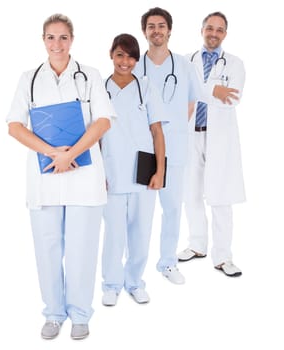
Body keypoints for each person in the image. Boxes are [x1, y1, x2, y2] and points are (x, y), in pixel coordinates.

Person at [6, 14, 115, 340]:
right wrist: (55, 154)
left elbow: (103, 121)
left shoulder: (90, 75)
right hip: (46, 178)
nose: (57, 44)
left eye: (63, 37)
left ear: (72, 40)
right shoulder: (29, 78)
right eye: (51, 38)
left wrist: (70, 154)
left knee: (82, 248)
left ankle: (80, 314)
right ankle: (54, 314)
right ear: (43, 40)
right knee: (48, 248)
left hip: (83, 175)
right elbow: (14, 126)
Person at [133, 7, 199, 284]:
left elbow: (191, 101)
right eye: (151, 26)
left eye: (161, 26)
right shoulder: (135, 66)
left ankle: (168, 263)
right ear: (144, 31)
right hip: (143, 147)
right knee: (140, 212)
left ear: (169, 30)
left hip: (174, 146)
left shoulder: (184, 64)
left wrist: (172, 130)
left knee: (172, 207)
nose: (156, 30)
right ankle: (134, 269)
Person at [177, 12, 246, 277]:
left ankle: (223, 256)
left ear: (225, 34)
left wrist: (204, 90)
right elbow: (182, 94)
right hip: (191, 133)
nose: (213, 33)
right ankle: (197, 245)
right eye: (209, 28)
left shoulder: (235, 64)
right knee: (190, 192)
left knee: (220, 196)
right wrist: (213, 90)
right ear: (202, 30)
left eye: (219, 29)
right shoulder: (186, 61)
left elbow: (233, 99)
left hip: (220, 138)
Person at [101, 33, 167, 306]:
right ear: (111, 55)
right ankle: (111, 285)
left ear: (137, 60)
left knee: (141, 232)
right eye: (119, 55)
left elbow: (157, 131)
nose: (124, 61)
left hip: (143, 173)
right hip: (111, 172)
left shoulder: (147, 86)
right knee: (114, 234)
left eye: (130, 56)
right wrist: (97, 174)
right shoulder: (99, 88)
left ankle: (135, 282)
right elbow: (92, 134)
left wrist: (160, 171)